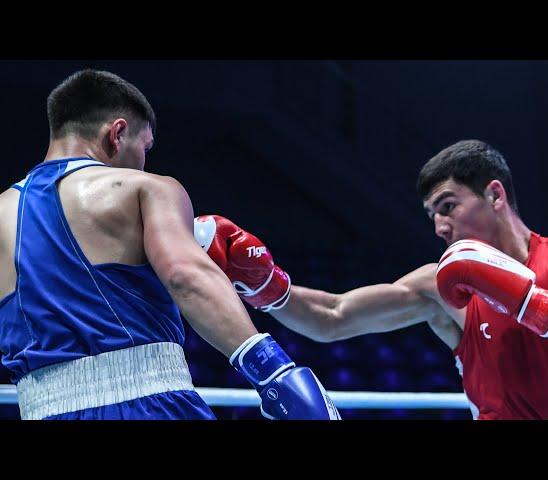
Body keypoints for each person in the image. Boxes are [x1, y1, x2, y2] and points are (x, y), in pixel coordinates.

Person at [195, 139, 548, 420]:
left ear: (495, 194)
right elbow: (333, 316)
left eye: (448, 206)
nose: (440, 227)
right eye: (432, 216)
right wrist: (266, 285)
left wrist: (523, 299)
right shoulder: (439, 287)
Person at [0, 69, 340, 420]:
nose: (145, 160)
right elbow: (185, 276)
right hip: (150, 403)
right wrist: (274, 372)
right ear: (117, 133)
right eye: (144, 146)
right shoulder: (143, 188)